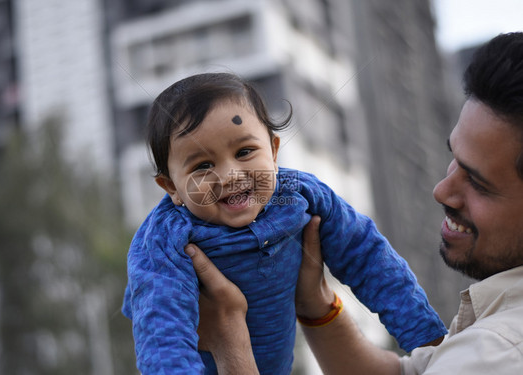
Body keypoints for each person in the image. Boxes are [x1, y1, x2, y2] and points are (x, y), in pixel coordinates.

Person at [187, 32, 523, 374]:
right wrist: (315, 303)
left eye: (478, 183)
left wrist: (229, 344)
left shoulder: (499, 353)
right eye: (454, 159)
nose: (442, 191)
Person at [122, 72, 446, 374]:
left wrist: (430, 340)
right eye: (203, 165)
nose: (231, 175)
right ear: (172, 188)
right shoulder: (164, 240)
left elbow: (369, 257)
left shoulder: (302, 195)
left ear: (274, 152)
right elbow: (162, 329)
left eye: (245, 151)